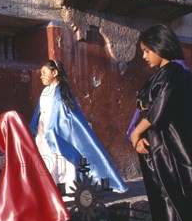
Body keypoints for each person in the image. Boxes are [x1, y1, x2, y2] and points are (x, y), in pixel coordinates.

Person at [129, 24, 191, 221]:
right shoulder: (159, 74)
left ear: (160, 46)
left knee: (172, 190)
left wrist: (137, 132)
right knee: (162, 190)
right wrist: (142, 135)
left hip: (171, 144)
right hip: (157, 143)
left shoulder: (174, 72)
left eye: (146, 50)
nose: (144, 56)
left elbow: (159, 109)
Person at [29, 59, 128, 194]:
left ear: (55, 72)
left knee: (62, 162)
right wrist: (32, 129)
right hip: (43, 133)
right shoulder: (45, 92)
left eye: (44, 73)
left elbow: (69, 118)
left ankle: (70, 190)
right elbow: (38, 113)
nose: (41, 76)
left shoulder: (62, 94)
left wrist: (54, 129)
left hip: (58, 134)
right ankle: (50, 192)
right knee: (47, 162)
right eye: (41, 73)